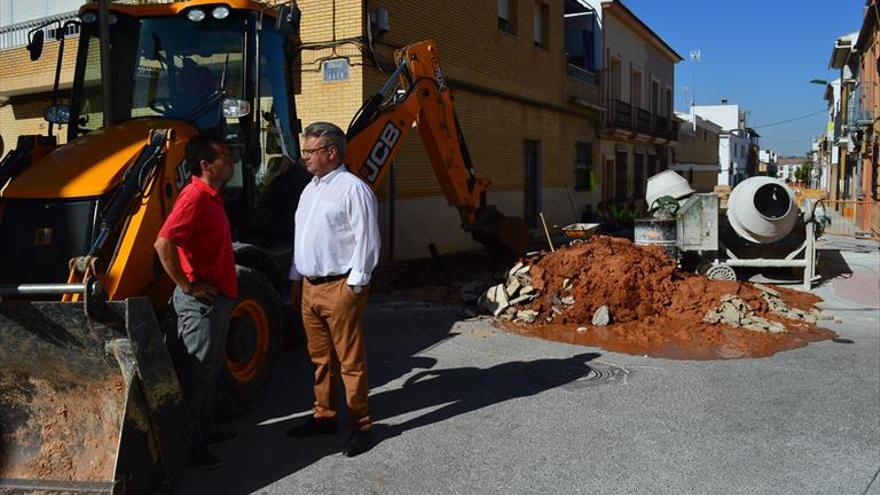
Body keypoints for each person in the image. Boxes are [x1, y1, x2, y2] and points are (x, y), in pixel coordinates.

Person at [286, 122, 380, 458]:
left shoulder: (353, 189)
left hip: (340, 286)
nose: (305, 157)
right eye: (305, 150)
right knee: (320, 359)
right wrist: (297, 278)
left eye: (311, 151)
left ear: (331, 152)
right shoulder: (310, 189)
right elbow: (303, 238)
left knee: (349, 361)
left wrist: (354, 286)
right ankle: (324, 415)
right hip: (310, 288)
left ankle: (361, 425)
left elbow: (367, 241)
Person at [154, 135, 239, 470]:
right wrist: (187, 286)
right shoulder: (194, 197)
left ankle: (205, 430)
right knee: (195, 376)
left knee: (208, 372)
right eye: (225, 156)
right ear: (206, 164)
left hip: (216, 300)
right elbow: (164, 244)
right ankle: (188, 447)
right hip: (201, 305)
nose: (231, 162)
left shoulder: (212, 197)